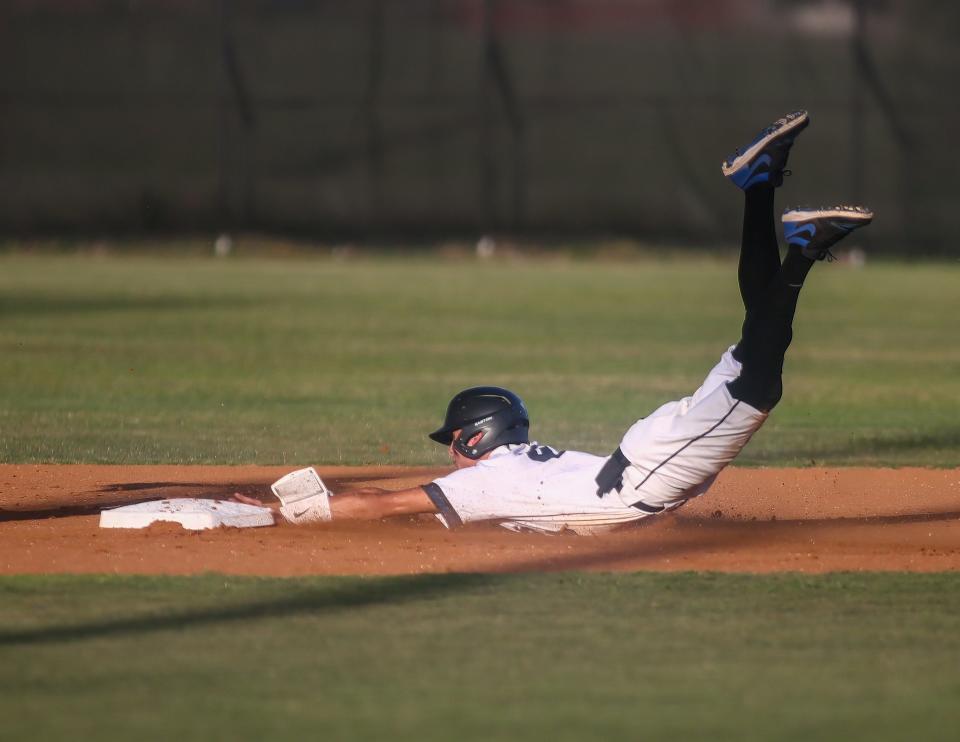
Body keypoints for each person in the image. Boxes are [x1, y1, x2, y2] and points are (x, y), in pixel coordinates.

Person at [237, 110, 873, 535]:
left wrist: (280, 512)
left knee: (760, 381)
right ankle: (759, 185)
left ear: (478, 439)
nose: (451, 451)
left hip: (645, 476)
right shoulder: (515, 468)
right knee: (753, 345)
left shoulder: (492, 482)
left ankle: (803, 249)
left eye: (453, 439)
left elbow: (385, 501)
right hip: (644, 464)